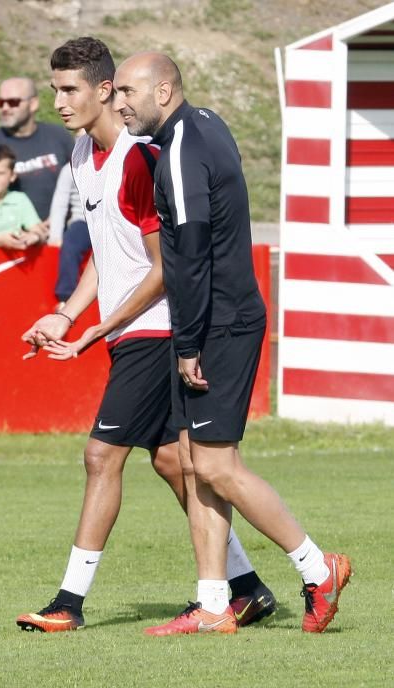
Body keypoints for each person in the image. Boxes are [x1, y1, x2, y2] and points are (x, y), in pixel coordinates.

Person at [16, 37, 275, 634]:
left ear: (106, 90)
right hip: (127, 332)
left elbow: (166, 267)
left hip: (155, 331)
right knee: (171, 462)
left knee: (102, 455)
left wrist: (96, 329)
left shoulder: (139, 157)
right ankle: (246, 588)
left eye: (68, 89)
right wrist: (66, 314)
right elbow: (108, 254)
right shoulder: (84, 154)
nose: (58, 101)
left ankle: (68, 603)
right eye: (54, 88)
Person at [112, 52, 352, 636]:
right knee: (194, 463)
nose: (118, 103)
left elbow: (189, 257)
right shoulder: (209, 122)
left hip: (220, 325)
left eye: (126, 92)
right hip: (219, 318)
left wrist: (189, 341)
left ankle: (318, 566)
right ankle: (215, 604)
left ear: (163, 91)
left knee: (217, 465)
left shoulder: (181, 154)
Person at [0, 77, 74, 225]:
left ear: (33, 104)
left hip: (56, 236)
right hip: (6, 240)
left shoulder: (59, 137)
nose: (5, 108)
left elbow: (79, 185)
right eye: (0, 103)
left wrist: (56, 222)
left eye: (13, 102)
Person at [48, 160, 92, 306]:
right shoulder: (69, 168)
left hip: (114, 220)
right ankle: (66, 298)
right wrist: (55, 236)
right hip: (83, 220)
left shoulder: (118, 159)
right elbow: (60, 202)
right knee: (70, 246)